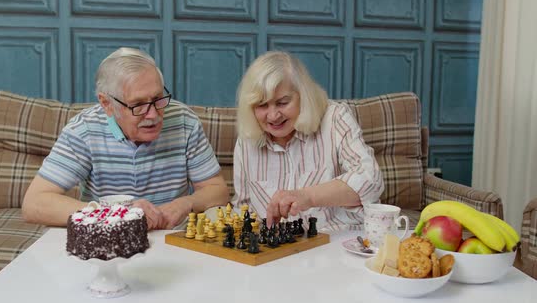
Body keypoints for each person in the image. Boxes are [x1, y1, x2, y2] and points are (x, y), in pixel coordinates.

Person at [22, 47, 229, 229]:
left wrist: (186, 203)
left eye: (157, 99)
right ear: (107, 104)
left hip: (171, 239)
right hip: (109, 242)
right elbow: (34, 204)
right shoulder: (83, 131)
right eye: (138, 105)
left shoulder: (185, 122)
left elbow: (217, 191)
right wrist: (116, 213)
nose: (153, 115)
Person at [232, 51, 384, 231]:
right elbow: (242, 208)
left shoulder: (335, 118)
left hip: (336, 244)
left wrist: (307, 196)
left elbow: (370, 180)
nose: (273, 116)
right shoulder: (247, 139)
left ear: (303, 95)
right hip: (277, 253)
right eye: (262, 105)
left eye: (282, 103)